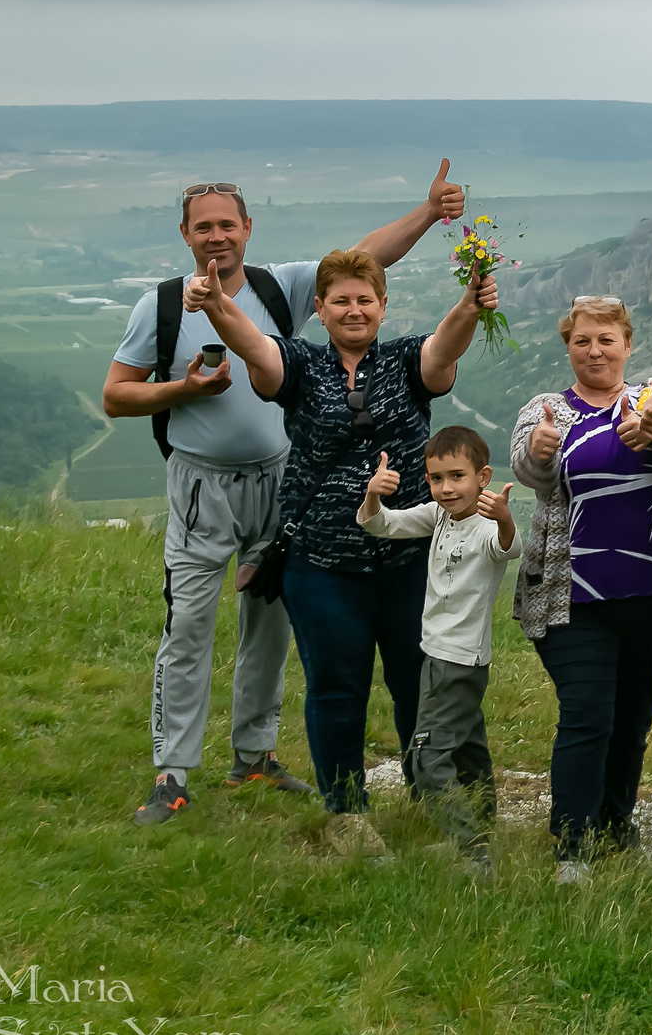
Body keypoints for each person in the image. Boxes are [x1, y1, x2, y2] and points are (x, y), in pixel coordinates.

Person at [108, 164, 465, 827]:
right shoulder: (160, 306)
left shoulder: (279, 287)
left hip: (279, 479)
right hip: (199, 482)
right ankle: (172, 771)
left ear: (247, 228)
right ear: (185, 234)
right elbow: (115, 393)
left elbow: (362, 261)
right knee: (187, 622)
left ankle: (253, 754)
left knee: (268, 620)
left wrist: (427, 212)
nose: (217, 236)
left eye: (227, 224)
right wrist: (180, 391)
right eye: (203, 226)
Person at [188, 245, 499, 845]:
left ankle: (432, 797)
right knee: (336, 686)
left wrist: (468, 304)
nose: (353, 310)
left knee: (418, 684)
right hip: (324, 562)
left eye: (365, 300)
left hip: (411, 560)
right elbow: (254, 346)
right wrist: (220, 305)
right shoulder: (300, 364)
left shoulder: (407, 361)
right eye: (340, 302)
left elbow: (444, 350)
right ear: (322, 311)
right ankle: (346, 810)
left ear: (383, 307)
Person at [508, 297, 652, 884]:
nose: (595, 351)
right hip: (572, 590)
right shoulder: (544, 410)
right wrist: (540, 453)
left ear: (627, 344)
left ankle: (616, 823)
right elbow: (528, 468)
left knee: (634, 710)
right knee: (588, 710)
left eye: (606, 340)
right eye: (583, 340)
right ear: (568, 346)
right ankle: (572, 843)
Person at [355, 424, 521, 870]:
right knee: (467, 749)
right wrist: (373, 494)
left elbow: (508, 548)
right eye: (436, 478)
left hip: (459, 661)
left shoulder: (487, 526)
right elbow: (381, 524)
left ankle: (472, 851)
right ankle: (483, 829)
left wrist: (504, 518)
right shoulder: (439, 516)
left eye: (457, 476)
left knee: (427, 758)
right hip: (436, 654)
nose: (446, 488)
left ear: (483, 477)